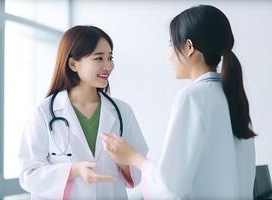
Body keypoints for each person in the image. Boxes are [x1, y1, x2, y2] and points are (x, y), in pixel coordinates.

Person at [102, 5, 256, 199]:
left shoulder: (193, 97)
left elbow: (170, 186)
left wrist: (133, 157)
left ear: (189, 47)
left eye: (171, 44)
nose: (169, 55)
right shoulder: (233, 96)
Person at [18, 25, 148, 199]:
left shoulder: (122, 112)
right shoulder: (43, 112)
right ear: (73, 64)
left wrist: (125, 162)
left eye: (110, 58)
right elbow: (29, 175)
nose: (108, 66)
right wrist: (73, 171)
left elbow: (141, 169)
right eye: (98, 58)